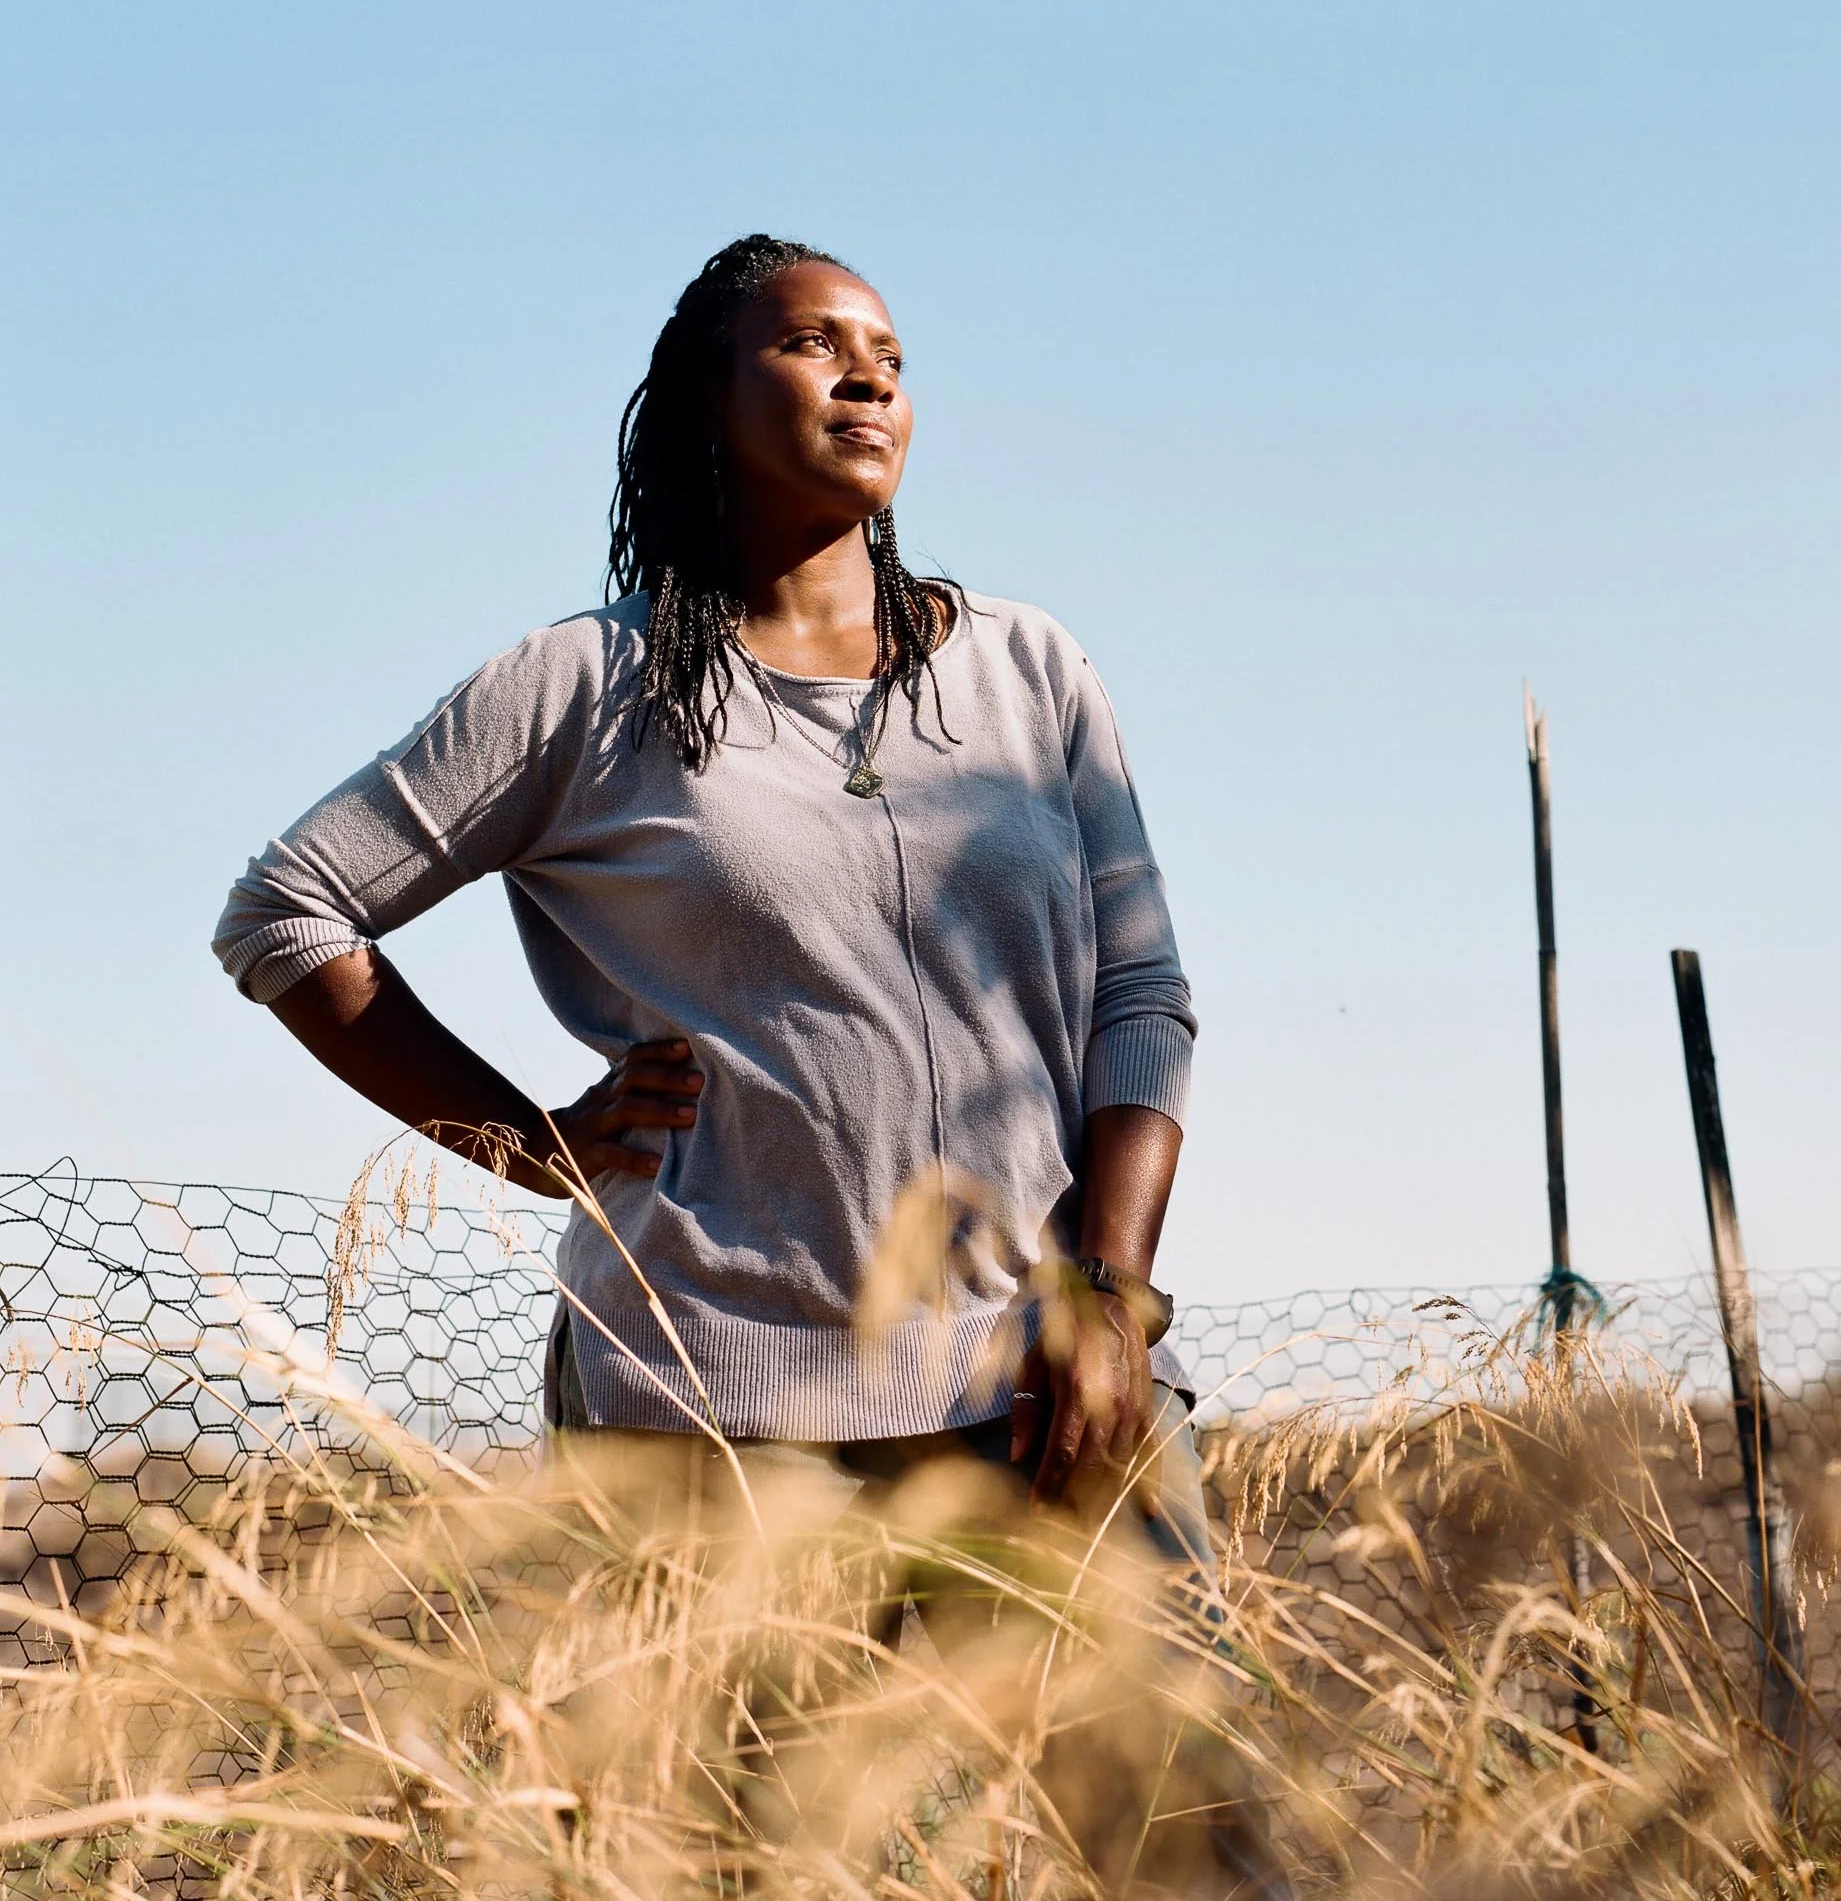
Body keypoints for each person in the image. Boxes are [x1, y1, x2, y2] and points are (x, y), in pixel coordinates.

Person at [213, 235, 1281, 1891]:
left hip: (1041, 1391)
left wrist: (1108, 1302)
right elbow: (290, 914)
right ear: (705, 402)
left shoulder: (1028, 671)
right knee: (735, 1870)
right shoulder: (589, 688)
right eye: (812, 344)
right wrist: (536, 1141)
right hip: (714, 1423)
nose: (871, 376)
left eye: (894, 355)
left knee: (1193, 1857)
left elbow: (1141, 992)